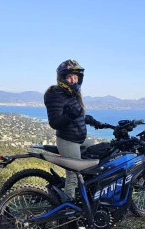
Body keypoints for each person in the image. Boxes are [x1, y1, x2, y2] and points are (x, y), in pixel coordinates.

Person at [44, 59, 106, 199]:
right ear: (62, 78)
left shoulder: (72, 94)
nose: (73, 80)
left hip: (79, 138)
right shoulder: (55, 95)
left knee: (100, 152)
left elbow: (78, 114)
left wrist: (93, 121)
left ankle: (88, 192)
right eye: (69, 77)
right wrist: (71, 115)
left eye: (75, 77)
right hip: (68, 140)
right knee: (73, 176)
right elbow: (54, 122)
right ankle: (68, 209)